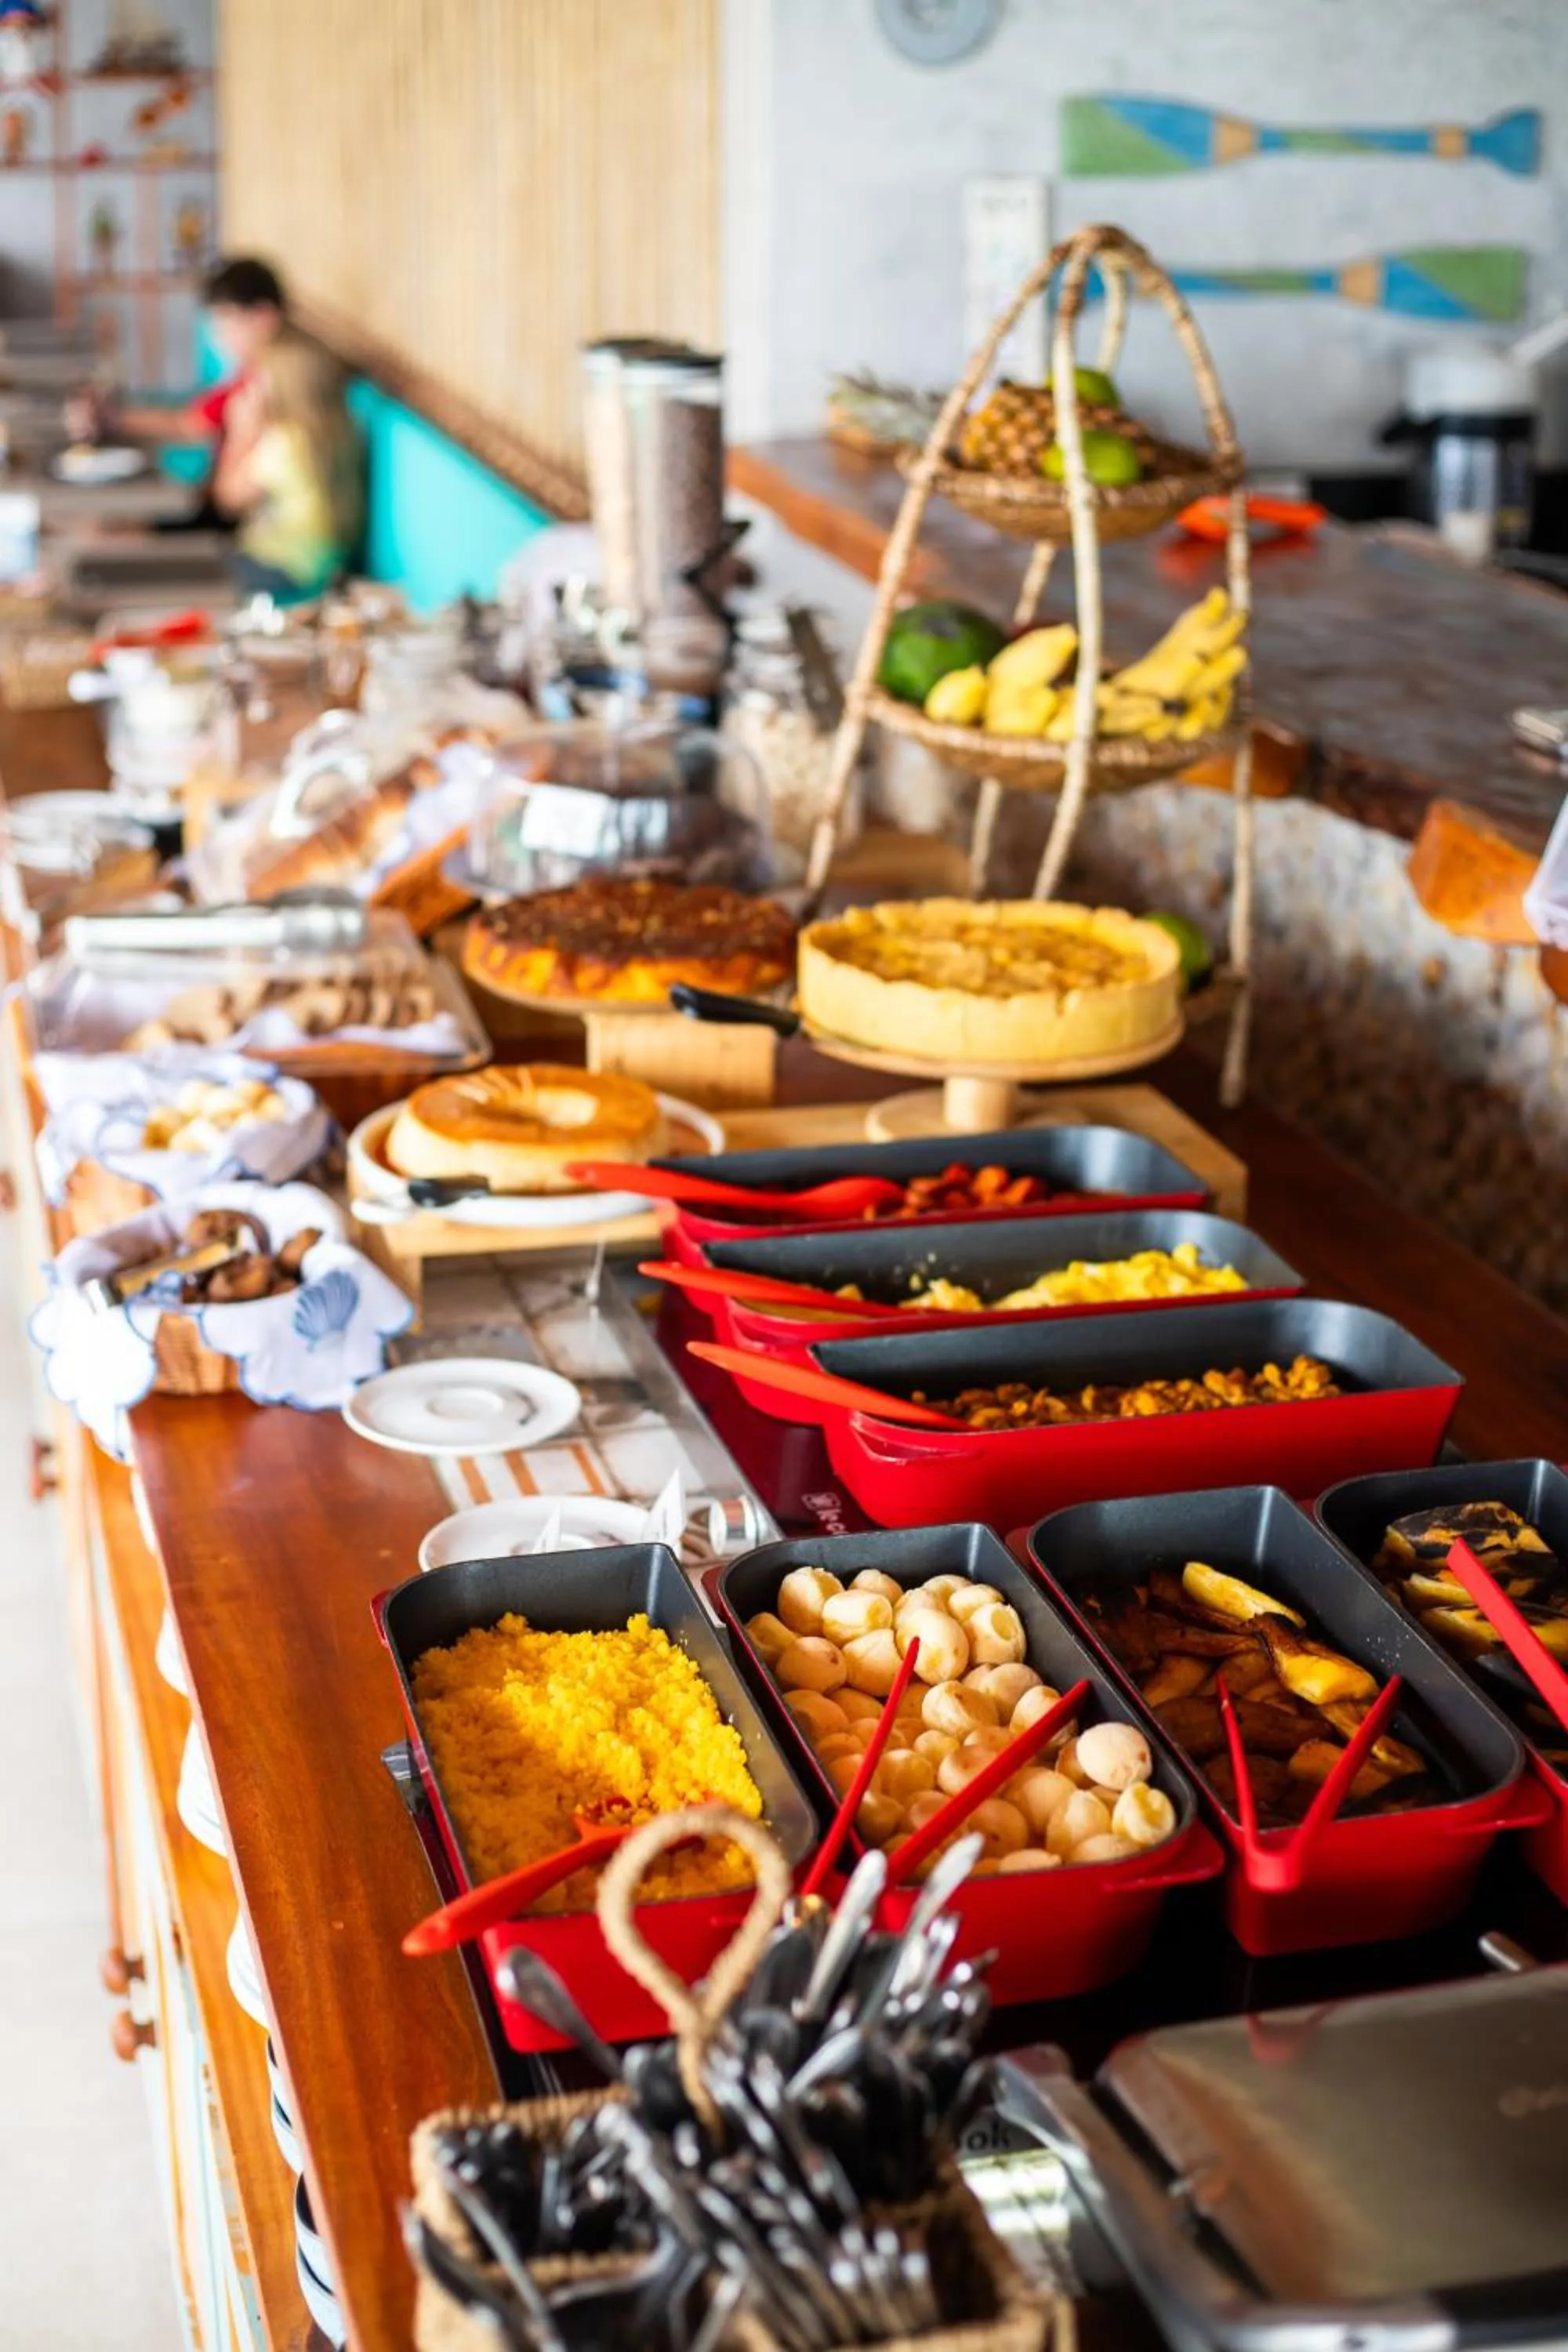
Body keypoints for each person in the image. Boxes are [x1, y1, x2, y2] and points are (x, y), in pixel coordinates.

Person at [66, 256, 287, 529]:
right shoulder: (247, 377)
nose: (218, 337)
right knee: (105, 525)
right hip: (218, 507)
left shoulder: (273, 387)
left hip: (242, 528)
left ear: (264, 318)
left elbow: (230, 501)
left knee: (106, 530)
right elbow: (193, 423)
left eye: (225, 322)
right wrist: (112, 419)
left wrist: (241, 440)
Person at [213, 324, 362, 602]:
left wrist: (240, 434)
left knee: (195, 569)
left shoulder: (286, 442)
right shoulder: (343, 431)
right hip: (327, 565)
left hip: (285, 571)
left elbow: (227, 499)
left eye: (260, 379)